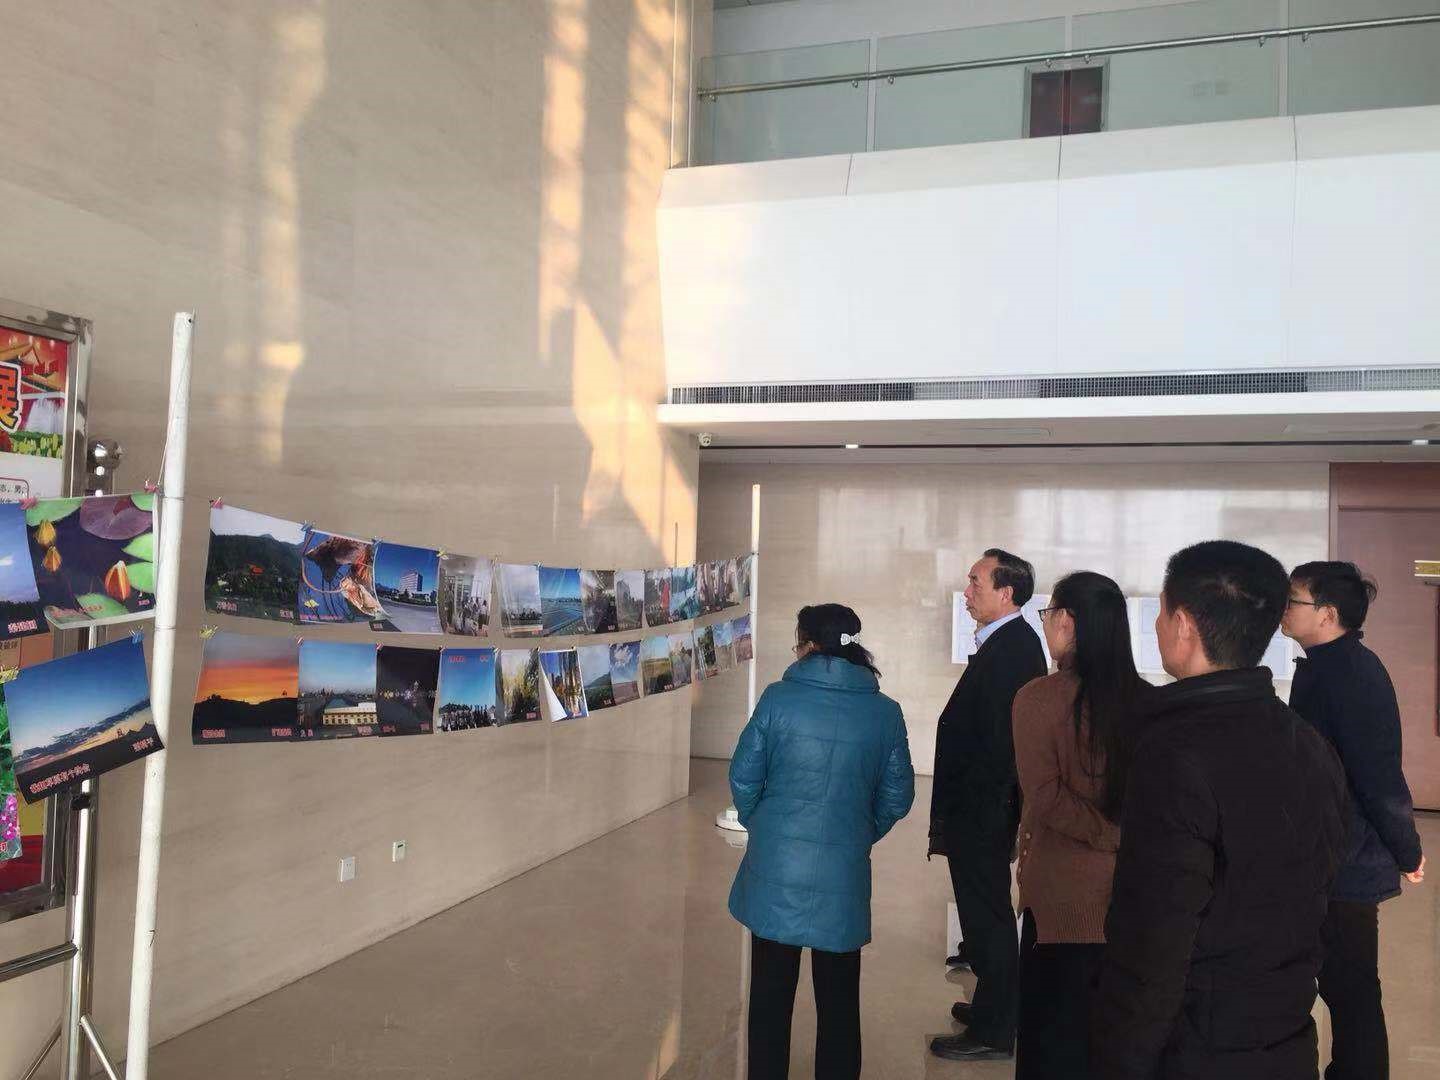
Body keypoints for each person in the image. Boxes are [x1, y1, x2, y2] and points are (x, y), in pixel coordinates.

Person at [1093, 540, 1350, 1080]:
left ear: (1183, 625)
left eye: (1162, 611)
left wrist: (1121, 1060)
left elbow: (1154, 941)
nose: (1157, 626)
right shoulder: (1308, 743)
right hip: (1286, 1035)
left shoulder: (1173, 754)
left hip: (1197, 1048)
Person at [728, 604, 915, 1080]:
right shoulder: (885, 712)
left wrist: (765, 825)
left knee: (770, 996)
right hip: (843, 873)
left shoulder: (777, 700)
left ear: (808, 645)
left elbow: (743, 776)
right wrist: (858, 832)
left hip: (777, 869)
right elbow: (898, 796)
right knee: (840, 1001)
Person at [1282, 561, 1426, 1080]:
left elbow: (1378, 776)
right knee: (1342, 984)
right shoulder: (1327, 666)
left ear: (1327, 614)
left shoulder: (1351, 675)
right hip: (1326, 852)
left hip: (1347, 857)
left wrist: (1406, 850)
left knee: (1352, 987)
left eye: (1293, 600)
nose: (1283, 609)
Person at [1013, 571, 1151, 1078]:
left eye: (1048, 613)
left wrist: (1106, 835)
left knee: (1052, 1044)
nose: (1046, 624)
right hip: (1132, 899)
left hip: (1061, 902)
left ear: (1068, 622)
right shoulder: (1148, 701)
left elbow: (1045, 797)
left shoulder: (1039, 698)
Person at [929, 549, 1048, 1062]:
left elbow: (1002, 744)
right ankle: (991, 1007)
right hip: (979, 808)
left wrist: (981, 813)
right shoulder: (1004, 642)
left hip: (984, 809)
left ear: (1006, 592)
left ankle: (996, 1030)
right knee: (981, 916)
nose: (967, 591)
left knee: (989, 917)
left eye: (976, 582)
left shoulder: (1013, 648)